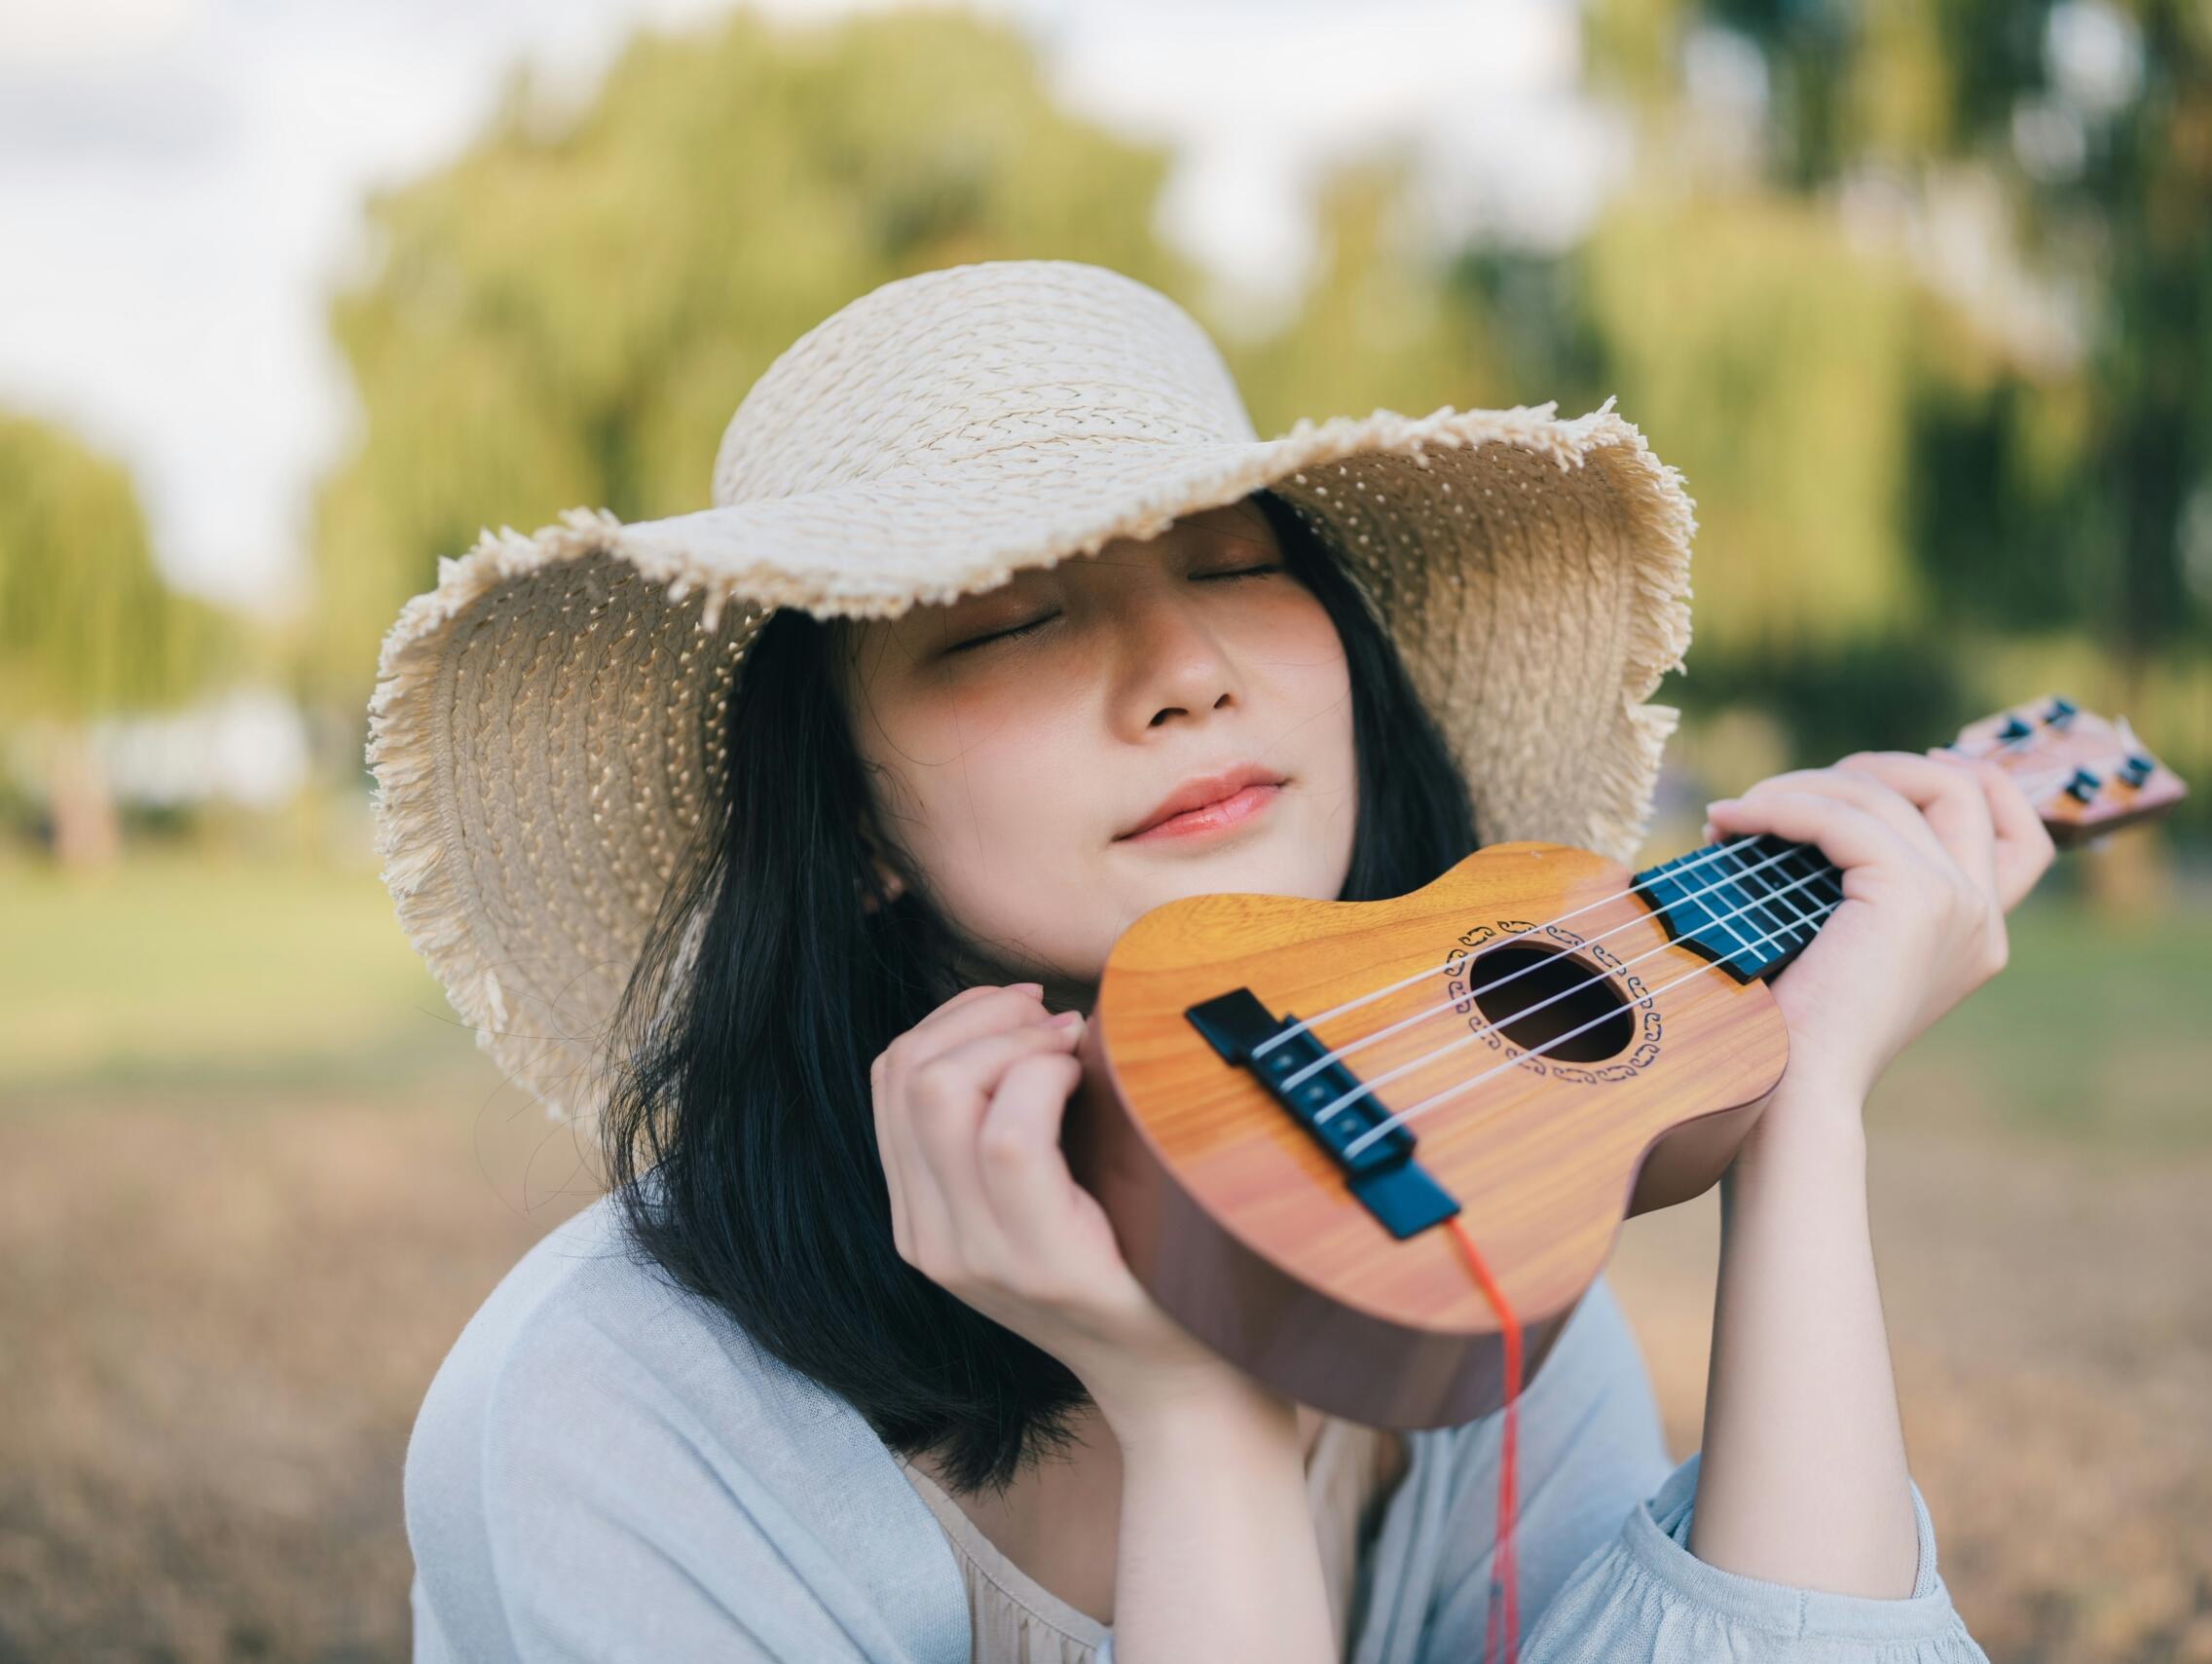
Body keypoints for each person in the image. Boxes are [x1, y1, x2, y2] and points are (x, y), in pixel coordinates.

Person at [374, 259, 2034, 1662]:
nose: (1186, 668)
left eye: (1239, 563)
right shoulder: (606, 1418)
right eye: (1008, 615)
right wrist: (1197, 1413)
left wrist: (1805, 1106)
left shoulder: (1465, 1257)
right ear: (852, 824)